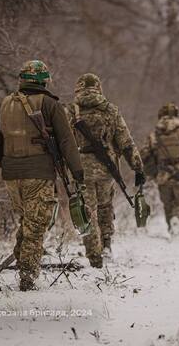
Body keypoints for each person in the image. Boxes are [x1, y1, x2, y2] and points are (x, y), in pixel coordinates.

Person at [0, 60, 84, 291]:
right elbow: (67, 141)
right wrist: (78, 172)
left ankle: (23, 257)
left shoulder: (4, 104)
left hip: (11, 176)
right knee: (36, 225)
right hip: (39, 174)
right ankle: (27, 277)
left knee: (29, 221)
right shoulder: (50, 105)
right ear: (44, 80)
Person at [67, 73, 145, 268]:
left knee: (87, 210)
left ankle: (94, 255)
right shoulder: (110, 110)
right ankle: (107, 246)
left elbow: (63, 142)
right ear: (99, 88)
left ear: (79, 88)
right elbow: (125, 142)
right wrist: (138, 167)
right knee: (105, 207)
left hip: (80, 169)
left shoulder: (70, 110)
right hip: (106, 168)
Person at [141, 102, 179, 237]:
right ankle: (177, 221)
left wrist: (151, 173)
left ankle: (172, 227)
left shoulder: (154, 135)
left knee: (168, 205)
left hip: (162, 175)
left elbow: (144, 155)